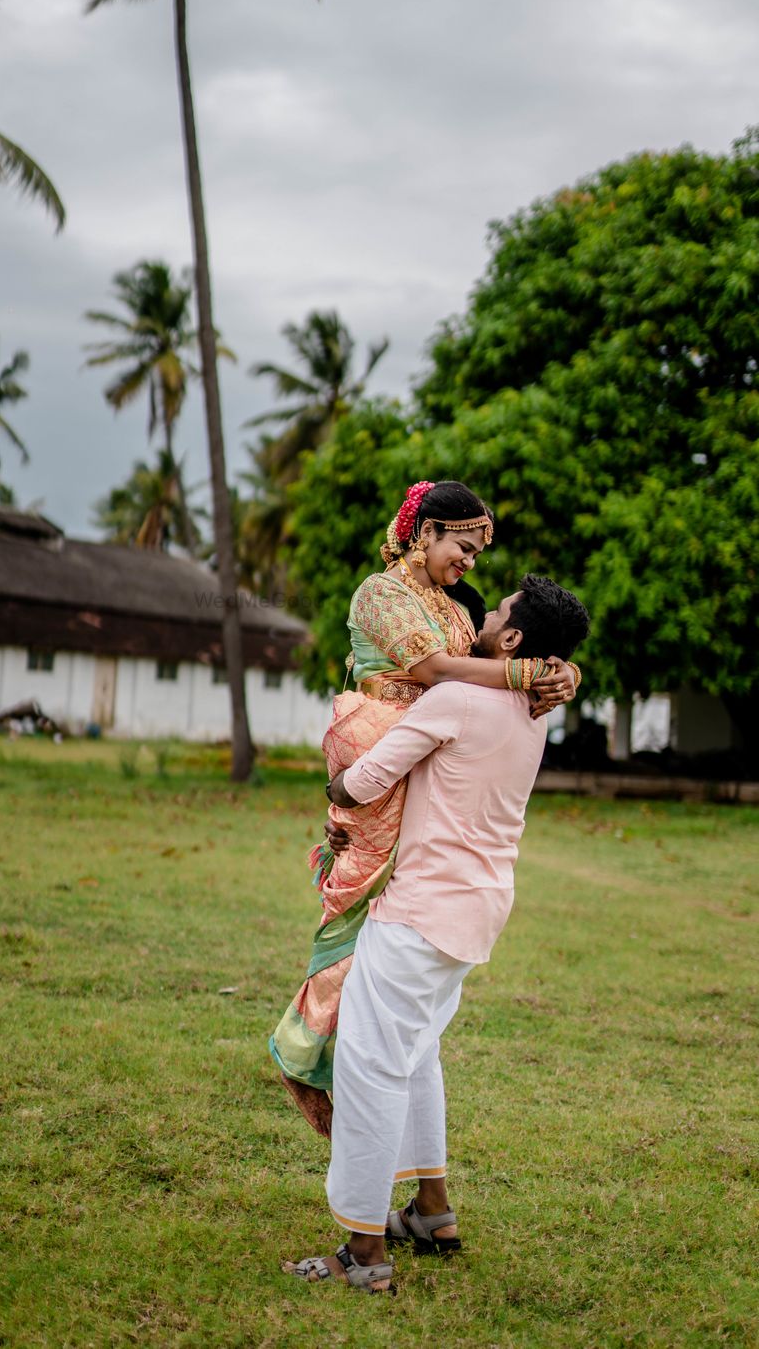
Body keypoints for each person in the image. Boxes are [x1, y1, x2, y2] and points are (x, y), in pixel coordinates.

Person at [283, 574, 591, 1294]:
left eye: (500, 611)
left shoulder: (458, 698)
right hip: (478, 909)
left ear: (511, 640)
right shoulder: (532, 706)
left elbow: (363, 780)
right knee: (416, 1054)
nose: (484, 613)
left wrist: (338, 780)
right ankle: (430, 1210)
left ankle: (363, 1251)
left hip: (421, 910)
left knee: (370, 1064)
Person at [270, 482, 579, 1138]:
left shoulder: (456, 608)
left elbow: (486, 661)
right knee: (351, 912)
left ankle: (343, 1066)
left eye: (476, 553)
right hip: (379, 750)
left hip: (423, 763)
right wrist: (529, 676)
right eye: (461, 546)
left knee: (378, 930)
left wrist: (565, 672)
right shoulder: (380, 593)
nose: (468, 561)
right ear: (427, 531)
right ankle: (308, 1053)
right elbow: (440, 670)